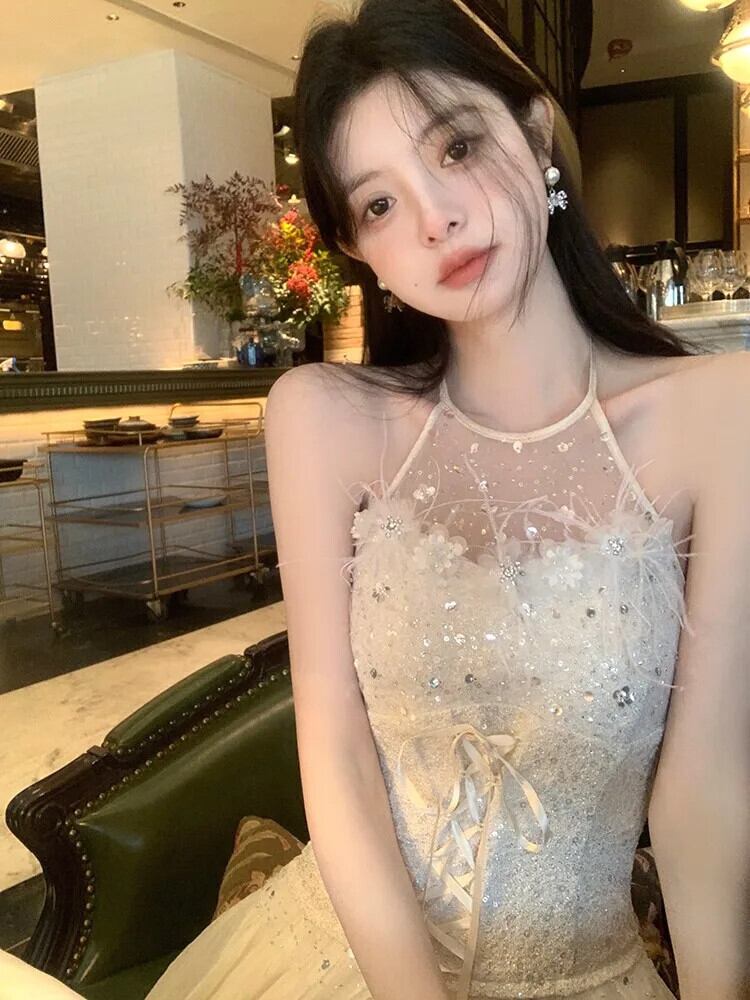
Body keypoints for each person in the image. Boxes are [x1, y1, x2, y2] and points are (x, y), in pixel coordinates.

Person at [2, 1, 749, 998]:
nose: (436, 217)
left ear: (536, 133)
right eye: (382, 203)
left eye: (456, 146)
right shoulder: (324, 418)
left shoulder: (720, 412)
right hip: (345, 960)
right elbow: (337, 747)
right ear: (360, 250)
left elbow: (704, 785)